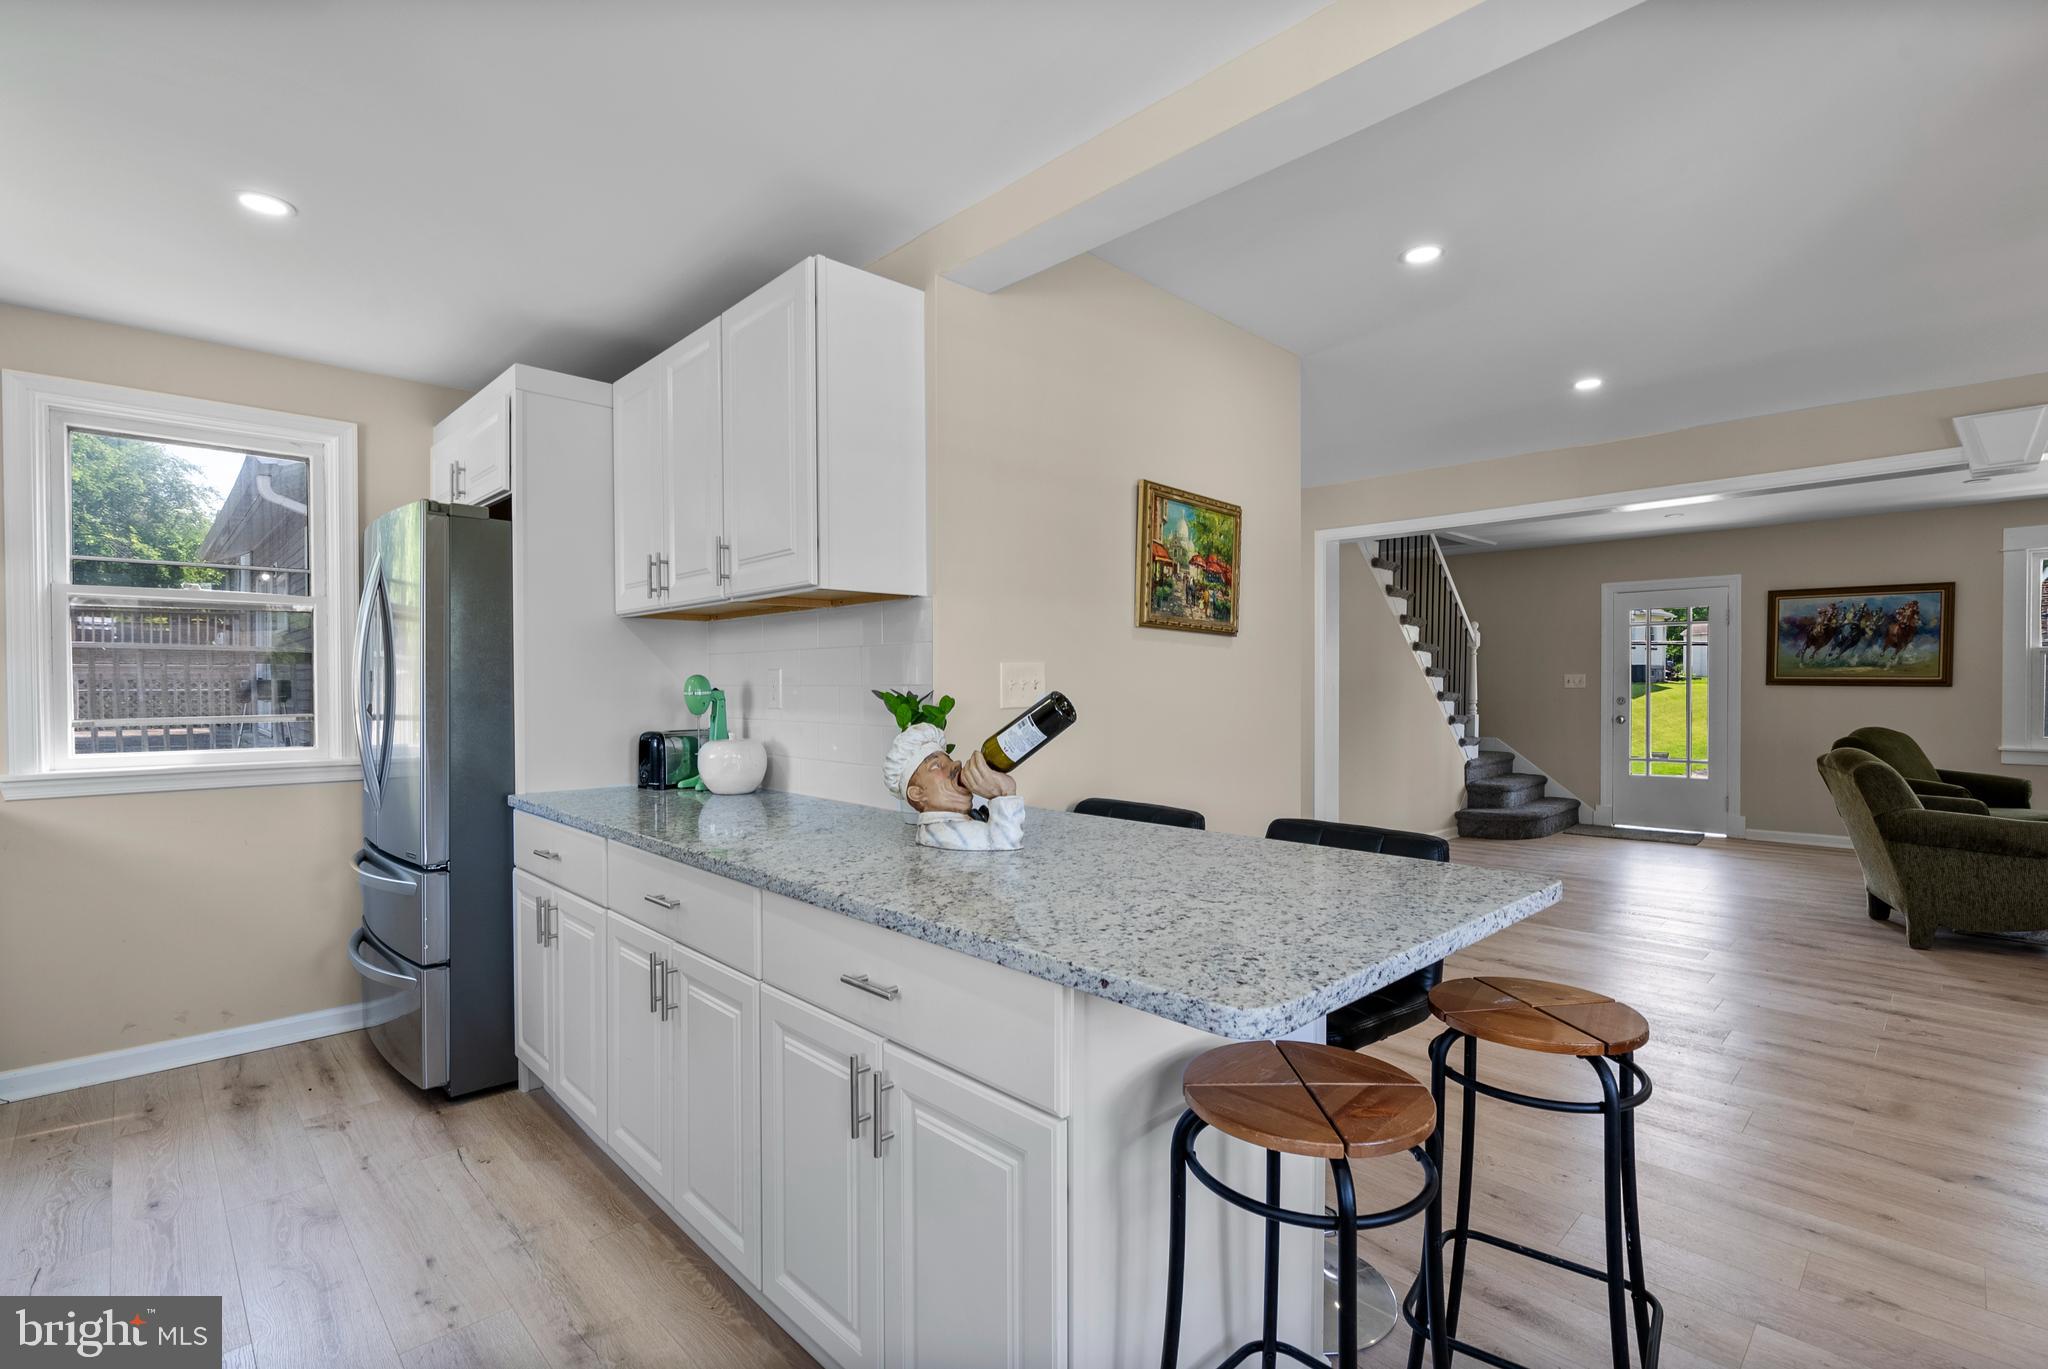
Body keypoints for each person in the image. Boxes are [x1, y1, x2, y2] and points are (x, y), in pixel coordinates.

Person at [881, 722, 1026, 850]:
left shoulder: (954, 822)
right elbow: (1005, 844)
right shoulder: (944, 832)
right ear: (917, 793)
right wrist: (1005, 792)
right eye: (936, 765)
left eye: (949, 760)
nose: (956, 764)